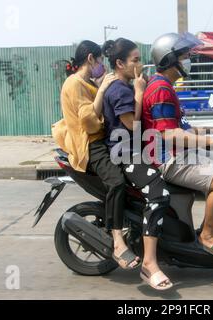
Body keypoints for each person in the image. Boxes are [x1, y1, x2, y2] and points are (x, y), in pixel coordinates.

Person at [142, 33, 213, 260]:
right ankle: (208, 235)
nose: (189, 60)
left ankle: (210, 226)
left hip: (177, 153)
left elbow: (183, 129)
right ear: (170, 59)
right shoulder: (161, 90)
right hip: (168, 160)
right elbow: (169, 134)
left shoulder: (165, 85)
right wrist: (210, 141)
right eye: (185, 56)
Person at [52, 40, 140, 271]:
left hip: (102, 141)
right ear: (91, 59)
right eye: (100, 60)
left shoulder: (86, 82)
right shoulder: (75, 84)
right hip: (90, 145)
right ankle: (119, 242)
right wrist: (101, 89)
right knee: (117, 183)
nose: (102, 65)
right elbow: (89, 123)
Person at [101, 38, 172, 290]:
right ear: (120, 63)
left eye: (140, 59)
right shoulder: (120, 90)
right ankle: (149, 264)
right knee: (159, 194)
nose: (140, 65)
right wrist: (140, 93)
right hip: (125, 153)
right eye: (135, 60)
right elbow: (133, 125)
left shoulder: (125, 84)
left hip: (138, 148)